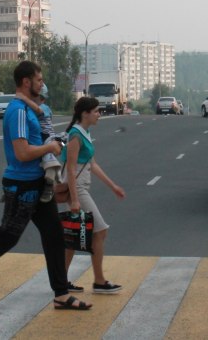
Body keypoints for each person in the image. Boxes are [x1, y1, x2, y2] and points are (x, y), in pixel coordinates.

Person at [0, 61, 92, 311]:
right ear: (27, 82)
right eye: (39, 80)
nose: (42, 84)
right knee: (7, 236)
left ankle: (61, 294)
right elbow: (22, 152)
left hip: (37, 182)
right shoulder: (17, 111)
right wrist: (50, 148)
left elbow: (39, 130)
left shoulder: (31, 109)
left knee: (53, 235)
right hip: (21, 184)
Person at [60, 96, 126, 294]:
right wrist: (75, 200)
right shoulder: (75, 135)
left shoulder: (84, 133)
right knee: (100, 231)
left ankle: (61, 280)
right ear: (85, 113)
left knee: (72, 237)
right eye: (96, 111)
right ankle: (99, 280)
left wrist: (112, 186)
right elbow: (70, 170)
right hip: (77, 189)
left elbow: (92, 164)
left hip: (81, 188)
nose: (99, 114)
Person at [18, 83, 63, 202]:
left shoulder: (42, 107)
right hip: (41, 136)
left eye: (35, 97)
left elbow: (37, 110)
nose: (32, 99)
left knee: (49, 157)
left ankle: (49, 183)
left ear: (42, 98)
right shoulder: (35, 107)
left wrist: (24, 98)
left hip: (48, 136)